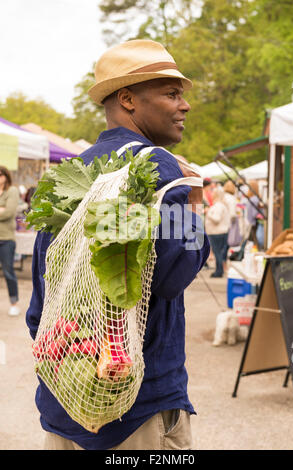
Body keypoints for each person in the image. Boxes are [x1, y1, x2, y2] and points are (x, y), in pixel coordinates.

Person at [26, 39, 210, 450]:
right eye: (171, 93)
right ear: (127, 99)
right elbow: (174, 273)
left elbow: (41, 303)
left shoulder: (67, 174)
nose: (185, 105)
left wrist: (74, 367)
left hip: (65, 404)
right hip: (136, 413)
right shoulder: (158, 168)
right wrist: (194, 206)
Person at [0, 165, 20, 316]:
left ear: (6, 176)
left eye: (1, 174)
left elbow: (9, 213)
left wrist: (4, 210)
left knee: (8, 272)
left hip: (6, 239)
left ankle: (14, 303)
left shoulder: (12, 191)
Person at [205, 186, 230, 278]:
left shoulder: (218, 206)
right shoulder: (222, 205)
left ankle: (219, 271)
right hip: (220, 232)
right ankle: (219, 270)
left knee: (217, 252)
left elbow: (217, 219)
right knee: (219, 252)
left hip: (216, 233)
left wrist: (208, 213)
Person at [246, 180, 264, 248]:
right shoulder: (256, 198)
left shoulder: (253, 199)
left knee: (254, 241)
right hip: (254, 222)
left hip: (253, 222)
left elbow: (254, 213)